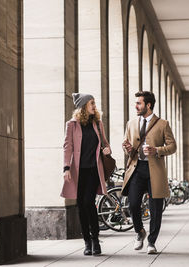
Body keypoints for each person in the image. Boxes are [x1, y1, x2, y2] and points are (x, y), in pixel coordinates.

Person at [121, 91, 176, 254]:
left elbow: (173, 146)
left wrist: (156, 150)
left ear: (148, 105)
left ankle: (151, 242)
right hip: (137, 169)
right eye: (136, 102)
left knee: (156, 208)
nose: (136, 105)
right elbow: (126, 145)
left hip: (155, 171)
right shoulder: (130, 123)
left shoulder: (163, 124)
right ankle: (139, 232)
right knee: (133, 204)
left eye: (139, 103)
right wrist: (128, 149)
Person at [61, 93, 112, 256]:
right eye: (91, 103)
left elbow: (104, 142)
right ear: (83, 107)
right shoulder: (72, 125)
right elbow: (67, 146)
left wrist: (107, 149)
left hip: (93, 170)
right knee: (81, 205)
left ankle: (95, 239)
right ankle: (87, 242)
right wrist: (66, 168)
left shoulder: (97, 123)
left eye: (94, 102)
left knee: (88, 202)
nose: (94, 105)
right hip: (78, 171)